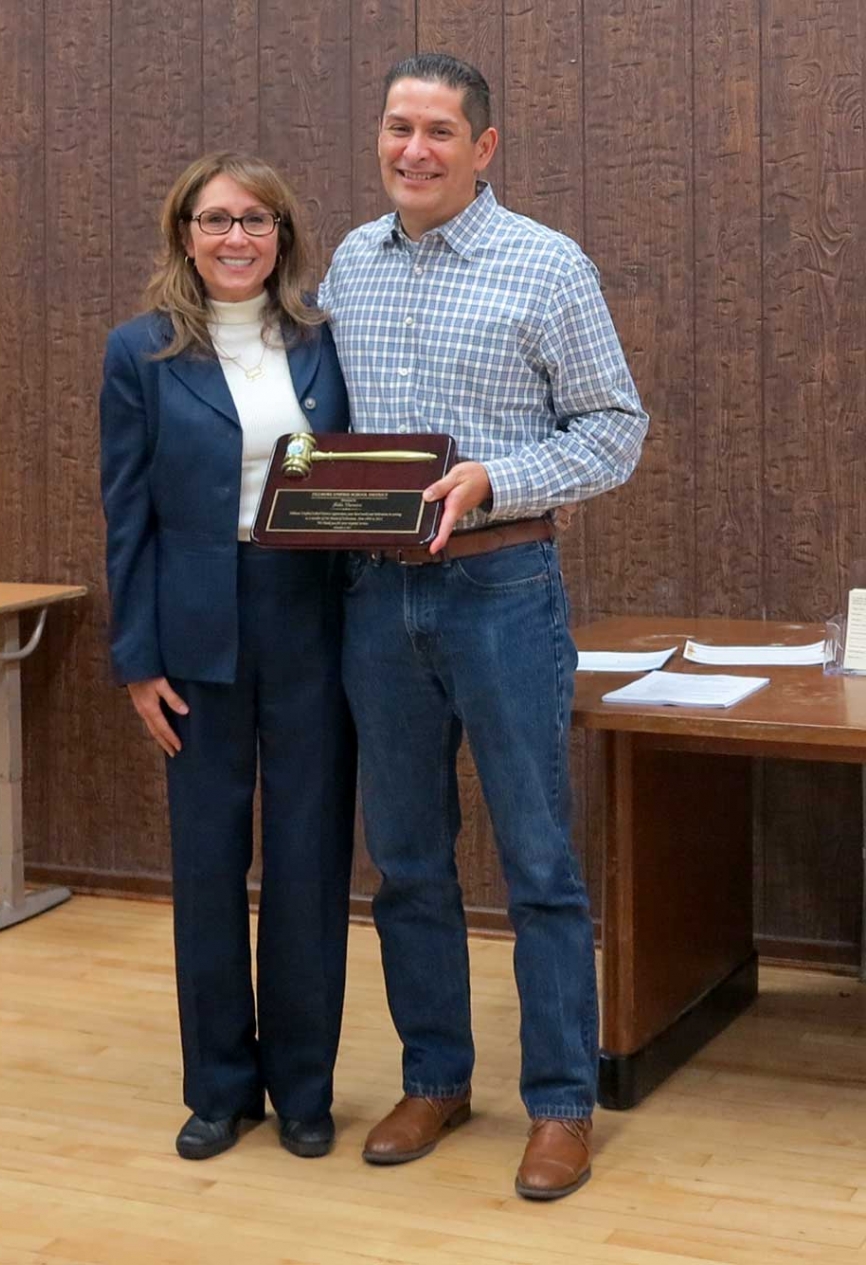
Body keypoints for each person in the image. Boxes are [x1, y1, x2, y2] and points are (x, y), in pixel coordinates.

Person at [319, 54, 648, 1199]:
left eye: (440, 132)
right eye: (398, 127)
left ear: (485, 147)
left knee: (540, 861)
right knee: (406, 858)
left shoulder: (546, 264)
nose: (415, 150)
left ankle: (559, 1104)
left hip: (503, 591)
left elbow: (614, 429)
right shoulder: (351, 263)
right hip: (374, 596)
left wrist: (490, 482)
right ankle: (436, 1077)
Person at [100, 153, 355, 1162]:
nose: (235, 238)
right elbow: (127, 513)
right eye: (215, 221)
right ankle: (218, 1086)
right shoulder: (141, 352)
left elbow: (361, 473)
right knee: (209, 865)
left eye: (254, 220)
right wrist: (136, 656)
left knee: (307, 858)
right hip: (193, 631)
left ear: (282, 235)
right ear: (186, 235)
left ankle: (301, 1087)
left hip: (312, 622)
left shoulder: (327, 343)